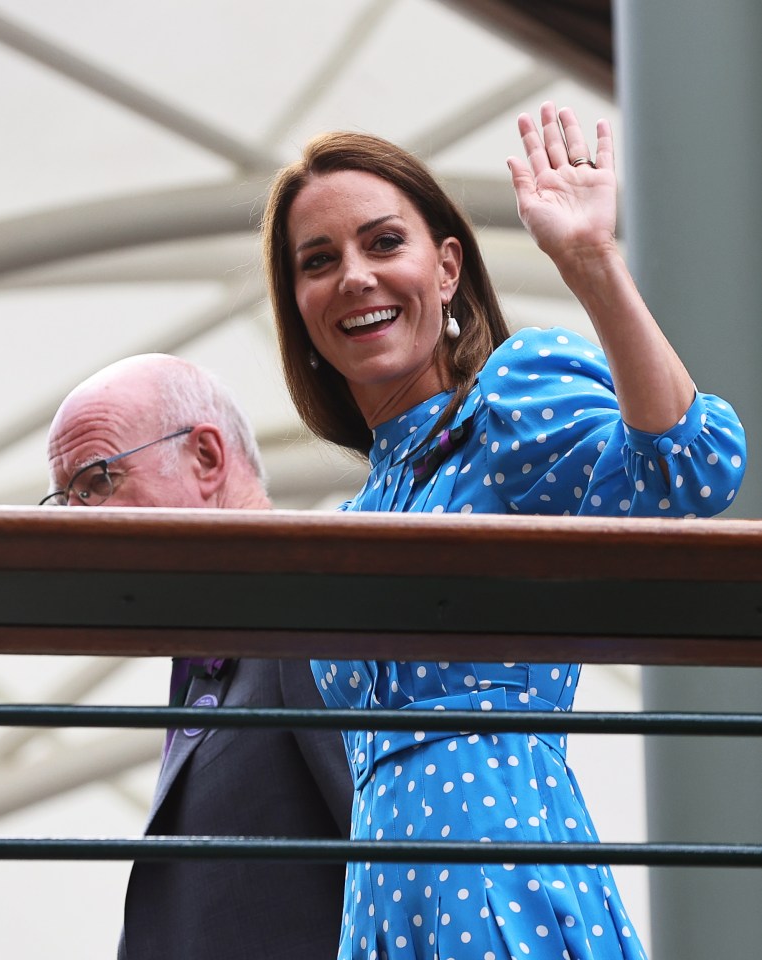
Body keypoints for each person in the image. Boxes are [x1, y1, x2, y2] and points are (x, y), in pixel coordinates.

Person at [261, 102, 747, 960]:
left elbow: (690, 464)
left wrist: (589, 259)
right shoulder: (363, 512)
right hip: (381, 902)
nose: (354, 277)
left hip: (497, 874)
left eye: (383, 244)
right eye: (318, 261)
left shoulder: (508, 402)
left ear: (446, 267)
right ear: (298, 306)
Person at [42, 353, 353, 960]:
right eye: (65, 500)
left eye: (99, 481)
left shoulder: (309, 609)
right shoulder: (220, 646)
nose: (77, 524)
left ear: (206, 458)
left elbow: (397, 868)